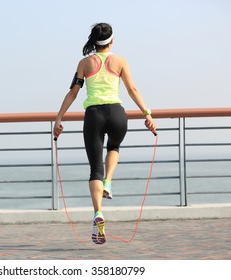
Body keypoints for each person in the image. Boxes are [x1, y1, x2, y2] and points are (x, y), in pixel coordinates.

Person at [53, 23, 156, 245]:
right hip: (117, 114)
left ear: (94, 40)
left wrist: (59, 118)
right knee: (114, 148)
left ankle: (98, 213)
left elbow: (73, 93)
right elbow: (132, 89)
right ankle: (109, 182)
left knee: (94, 168)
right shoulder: (120, 61)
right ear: (112, 41)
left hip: (94, 116)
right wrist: (147, 114)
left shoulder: (84, 63)